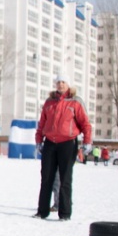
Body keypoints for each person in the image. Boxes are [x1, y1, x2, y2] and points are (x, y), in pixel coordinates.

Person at [34, 75, 92, 221]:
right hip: (50, 143)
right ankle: (42, 211)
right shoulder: (49, 102)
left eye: (63, 82)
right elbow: (42, 123)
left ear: (69, 84)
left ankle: (65, 213)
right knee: (46, 177)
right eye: (58, 82)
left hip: (67, 143)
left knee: (65, 178)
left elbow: (85, 123)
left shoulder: (75, 102)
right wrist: (39, 140)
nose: (60, 84)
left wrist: (87, 141)